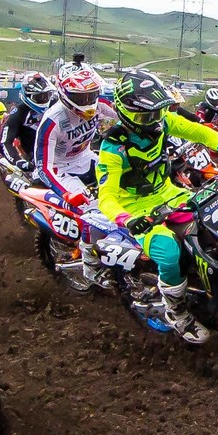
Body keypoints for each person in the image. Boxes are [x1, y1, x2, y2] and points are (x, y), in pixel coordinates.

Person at [91, 66, 218, 342]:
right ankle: (177, 313)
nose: (154, 120)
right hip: (137, 209)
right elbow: (107, 197)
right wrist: (126, 218)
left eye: (157, 112)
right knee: (169, 252)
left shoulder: (163, 120)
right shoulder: (113, 147)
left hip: (170, 193)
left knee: (214, 217)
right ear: (125, 112)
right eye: (146, 115)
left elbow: (198, 132)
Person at [33, 62, 137, 275]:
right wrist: (66, 194)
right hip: (60, 169)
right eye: (81, 98)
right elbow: (42, 166)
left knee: (130, 184)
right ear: (64, 94)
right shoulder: (53, 120)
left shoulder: (99, 104)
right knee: (92, 210)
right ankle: (90, 265)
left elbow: (128, 119)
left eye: (92, 95)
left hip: (86, 157)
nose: (88, 102)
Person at [1, 72, 56, 175]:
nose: (44, 100)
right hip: (35, 158)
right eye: (39, 97)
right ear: (27, 96)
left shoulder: (56, 104)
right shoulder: (18, 112)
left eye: (46, 96)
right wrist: (17, 161)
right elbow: (5, 141)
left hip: (63, 152)